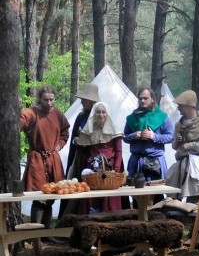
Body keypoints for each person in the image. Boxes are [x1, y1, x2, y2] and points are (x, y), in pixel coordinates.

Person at [20, 86, 70, 228]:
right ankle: (36, 235)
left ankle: (46, 233)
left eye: (51, 100)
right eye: (45, 100)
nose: (49, 103)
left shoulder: (58, 115)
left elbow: (65, 132)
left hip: (53, 159)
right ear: (39, 99)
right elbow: (21, 122)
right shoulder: (32, 113)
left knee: (51, 196)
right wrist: (17, 113)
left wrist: (59, 145)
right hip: (37, 160)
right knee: (39, 197)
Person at [72, 102, 124, 213]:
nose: (101, 115)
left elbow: (119, 152)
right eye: (98, 112)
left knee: (109, 198)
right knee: (92, 197)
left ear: (107, 113)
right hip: (92, 169)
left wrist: (116, 170)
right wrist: (79, 143)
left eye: (103, 112)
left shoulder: (115, 131)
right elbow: (84, 150)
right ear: (94, 114)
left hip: (109, 168)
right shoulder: (89, 130)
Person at [124, 88, 174, 203]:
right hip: (137, 161)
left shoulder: (162, 117)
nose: (142, 101)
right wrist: (134, 135)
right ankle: (139, 219)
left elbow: (170, 137)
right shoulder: (132, 118)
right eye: (140, 98)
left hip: (155, 161)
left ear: (152, 99)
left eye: (145, 98)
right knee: (136, 195)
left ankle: (158, 220)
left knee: (157, 195)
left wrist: (154, 136)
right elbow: (125, 137)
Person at [165, 90, 199, 203]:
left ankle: (193, 218)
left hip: (197, 165)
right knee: (172, 194)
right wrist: (177, 141)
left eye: (181, 106)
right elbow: (174, 146)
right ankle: (176, 218)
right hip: (181, 163)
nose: (178, 108)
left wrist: (191, 145)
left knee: (194, 195)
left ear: (189, 106)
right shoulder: (179, 124)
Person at [60, 83, 100, 215]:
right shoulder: (81, 116)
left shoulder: (99, 117)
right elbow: (73, 140)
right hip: (79, 160)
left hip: (94, 162)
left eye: (84, 99)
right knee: (76, 188)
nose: (81, 101)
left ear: (92, 100)